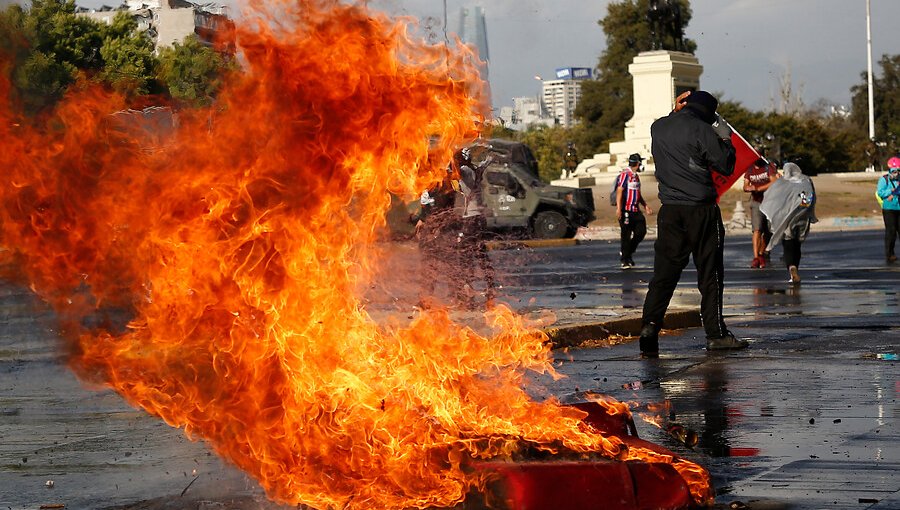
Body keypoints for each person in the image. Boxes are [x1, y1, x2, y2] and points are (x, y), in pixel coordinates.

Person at [638, 90, 749, 356]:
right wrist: (725, 137)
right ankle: (716, 334)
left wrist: (674, 111)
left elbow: (671, 123)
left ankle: (649, 328)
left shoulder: (659, 127)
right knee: (710, 275)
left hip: (670, 213)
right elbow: (725, 165)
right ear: (708, 113)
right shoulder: (703, 130)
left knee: (664, 275)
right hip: (701, 211)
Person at [759, 162, 817, 284]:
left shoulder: (782, 183)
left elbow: (772, 198)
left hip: (787, 219)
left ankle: (791, 267)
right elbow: (811, 197)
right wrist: (810, 213)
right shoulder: (806, 180)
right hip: (802, 217)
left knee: (788, 243)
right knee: (797, 244)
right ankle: (795, 265)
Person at [615, 153, 653, 269]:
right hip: (626, 210)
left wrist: (645, 205)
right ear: (637, 163)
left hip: (636, 210)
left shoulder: (636, 176)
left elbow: (637, 193)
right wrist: (618, 209)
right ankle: (625, 260)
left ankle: (628, 252)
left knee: (641, 232)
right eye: (640, 162)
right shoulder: (625, 175)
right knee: (626, 236)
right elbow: (620, 191)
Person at [743, 158, 779, 268]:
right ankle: (756, 258)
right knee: (757, 230)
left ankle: (761, 253)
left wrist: (758, 188)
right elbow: (745, 186)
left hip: (770, 202)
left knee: (768, 231)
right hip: (756, 202)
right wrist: (748, 188)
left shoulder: (768, 167)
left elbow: (774, 182)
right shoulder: (749, 170)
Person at [876, 156, 900, 263]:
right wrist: (891, 191)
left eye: (898, 171)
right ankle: (889, 254)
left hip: (899, 207)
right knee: (891, 231)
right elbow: (880, 192)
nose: (897, 173)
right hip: (889, 209)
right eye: (894, 171)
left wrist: (896, 192)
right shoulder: (884, 179)